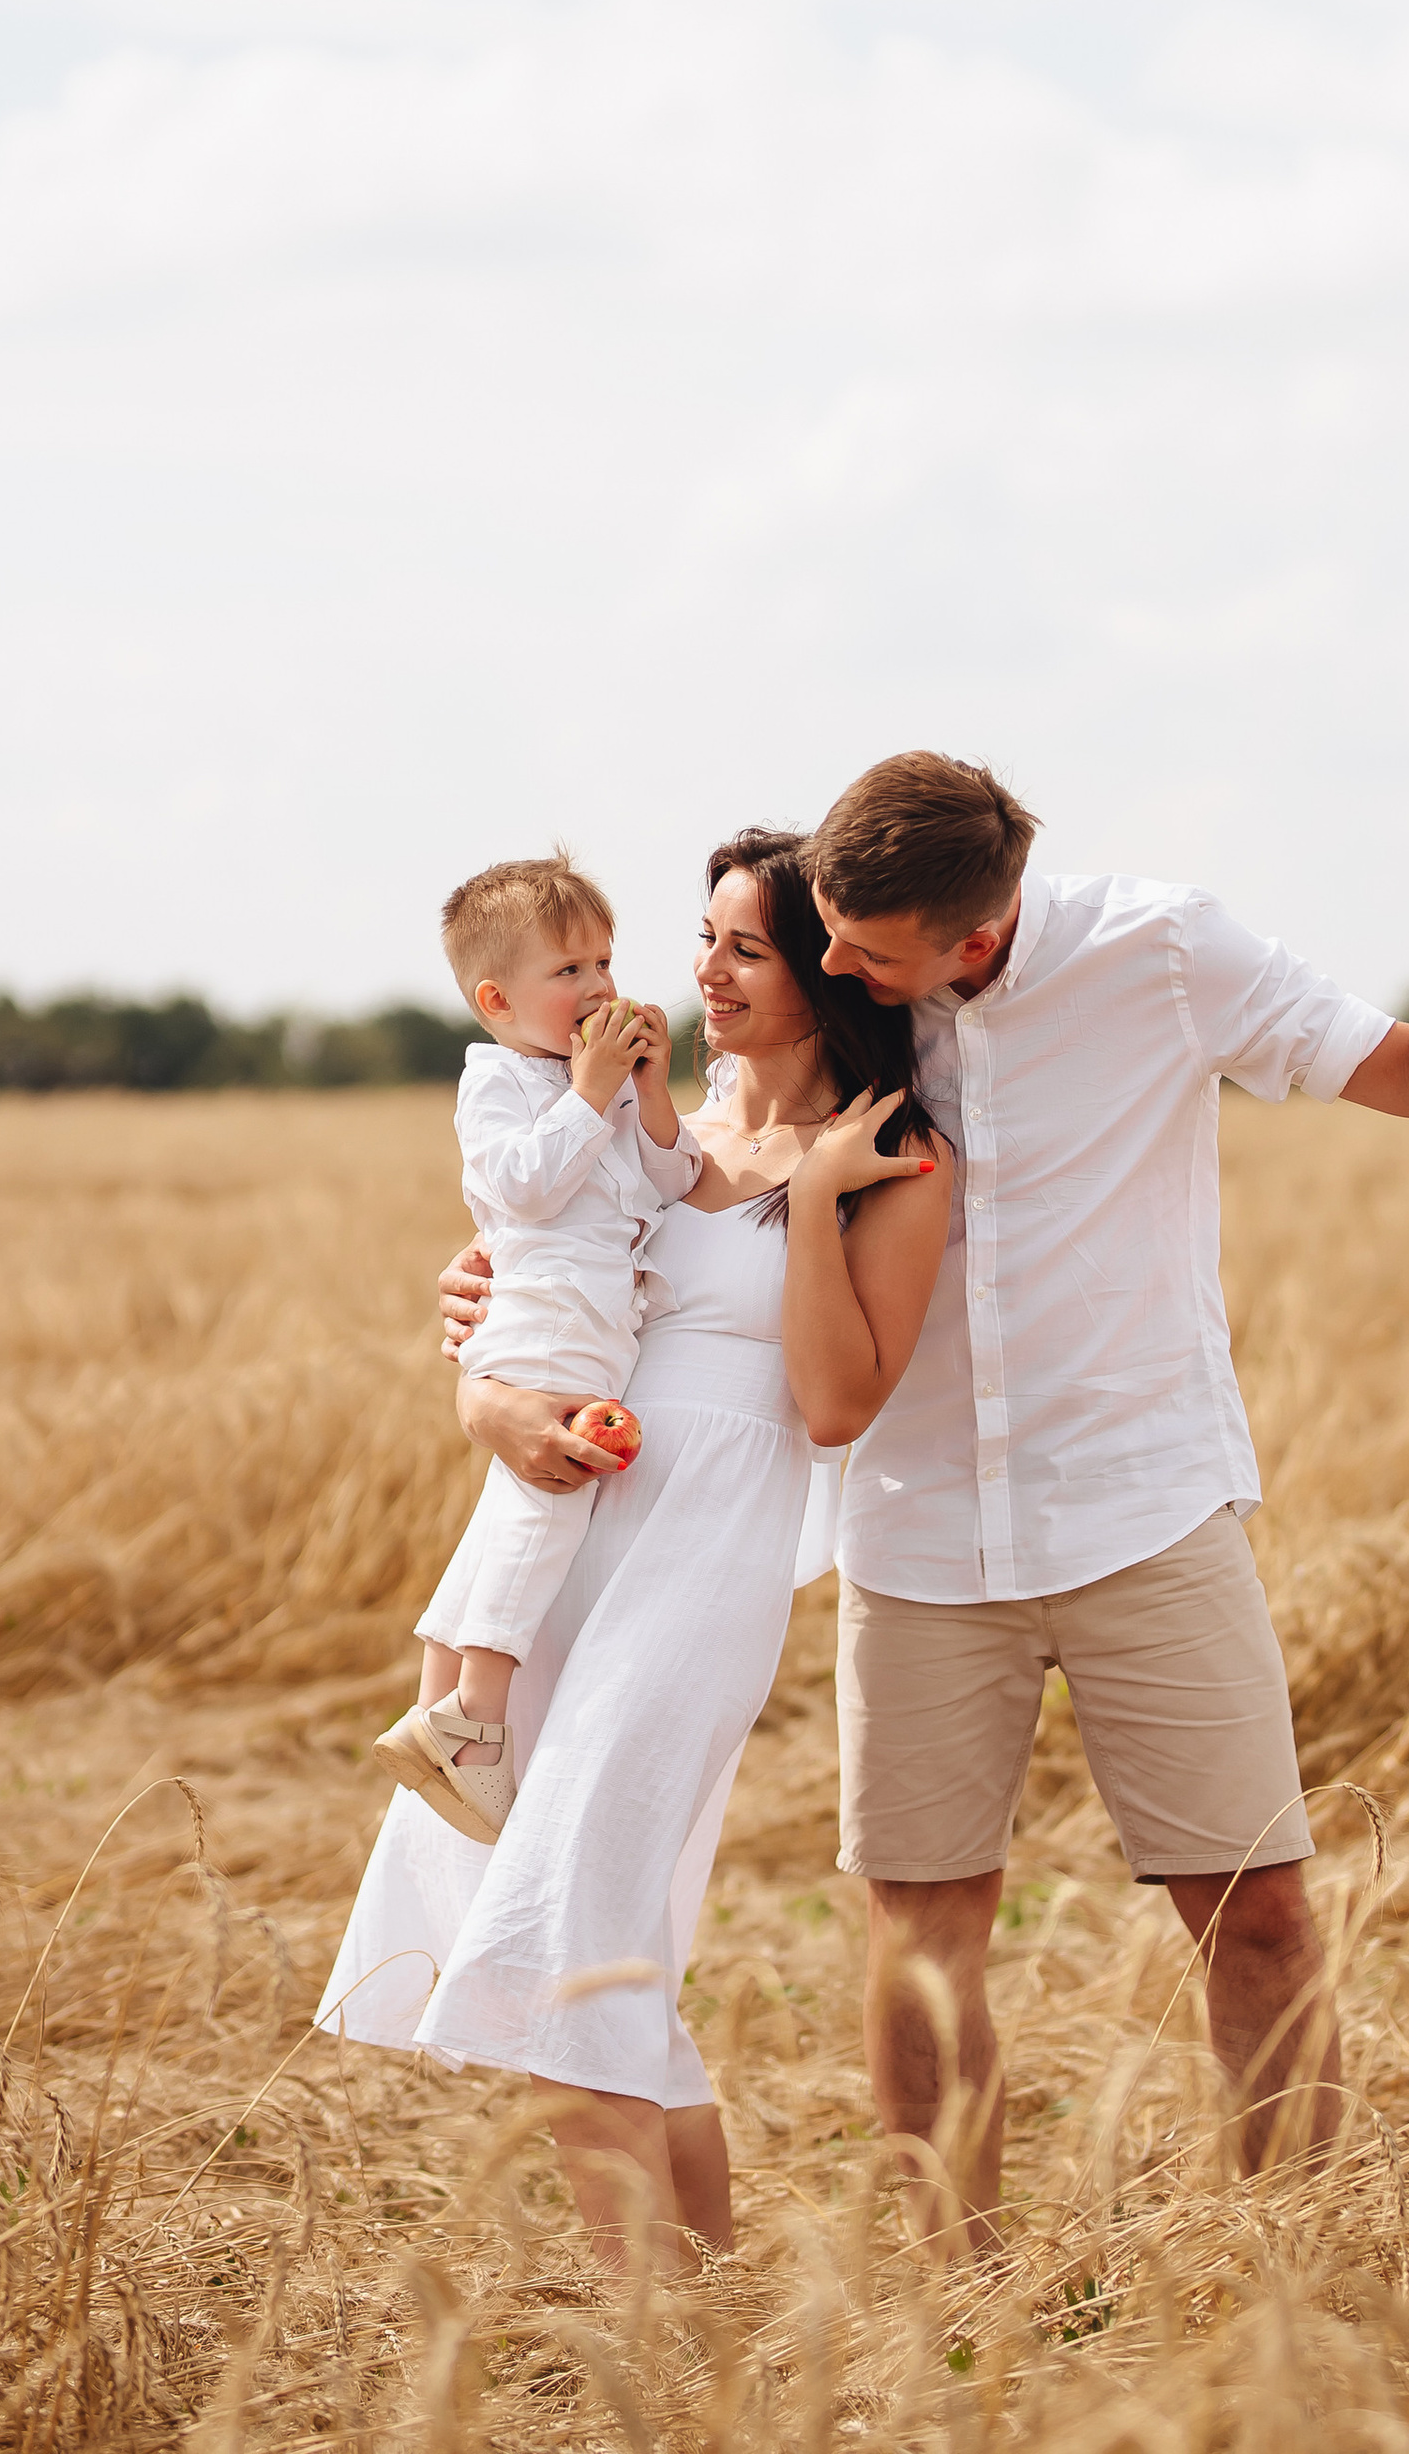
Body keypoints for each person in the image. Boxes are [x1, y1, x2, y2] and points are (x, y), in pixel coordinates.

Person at [443, 754, 1409, 2248]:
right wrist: (488, 1323)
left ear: (970, 933)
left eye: (860, 952)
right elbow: (620, 1230)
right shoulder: (808, 1028)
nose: (832, 966)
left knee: (1254, 1907)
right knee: (921, 1935)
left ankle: (1297, 2268)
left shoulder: (1164, 952)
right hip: (919, 1533)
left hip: (1146, 1506)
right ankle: (955, 2291)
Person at [322, 829, 952, 2275]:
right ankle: (701, 2326)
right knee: (594, 1935)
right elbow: (530, 1307)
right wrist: (488, 1398)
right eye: (706, 936)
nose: (701, 972)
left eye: (745, 946)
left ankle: (648, 2338)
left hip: (709, 1551)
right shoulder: (645, 1131)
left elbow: (840, 1401)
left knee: (568, 1924)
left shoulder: (890, 1155)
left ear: (828, 969)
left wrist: (801, 1203)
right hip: (571, 1530)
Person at [374, 852, 699, 1844]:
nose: (599, 986)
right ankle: (474, 1723)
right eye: (569, 972)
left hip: (590, 1324)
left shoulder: (588, 1085)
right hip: (549, 1318)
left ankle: (437, 1697)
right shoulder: (501, 1082)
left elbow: (670, 1181)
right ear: (497, 998)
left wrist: (644, 1092)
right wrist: (587, 1093)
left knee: (514, 1508)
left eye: (604, 962)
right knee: (552, 1498)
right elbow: (520, 1189)